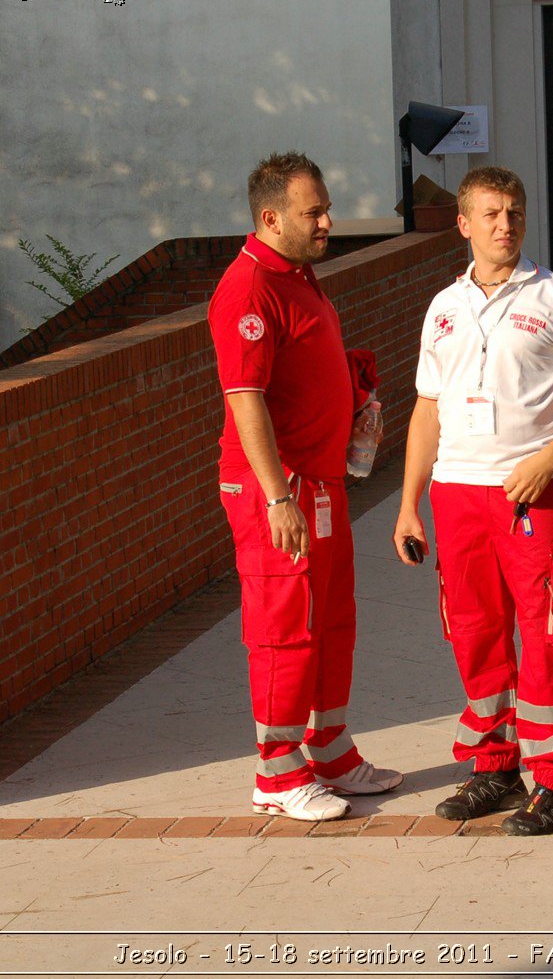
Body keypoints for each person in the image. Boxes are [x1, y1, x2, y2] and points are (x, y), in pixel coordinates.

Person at [393, 166, 553, 836]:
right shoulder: (443, 307)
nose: (505, 223)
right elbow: (426, 411)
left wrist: (549, 457)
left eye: (514, 212)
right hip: (457, 494)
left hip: (537, 496)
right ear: (463, 223)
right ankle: (494, 768)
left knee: (550, 634)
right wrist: (409, 503)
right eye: (490, 213)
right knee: (473, 630)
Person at [206, 151, 402, 822]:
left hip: (319, 482)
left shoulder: (298, 276)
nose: (327, 220)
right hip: (278, 489)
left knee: (332, 618)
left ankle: (329, 749)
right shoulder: (249, 289)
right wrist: (276, 496)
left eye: (324, 206)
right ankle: (278, 770)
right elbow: (245, 398)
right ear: (270, 217)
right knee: (284, 624)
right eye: (312, 211)